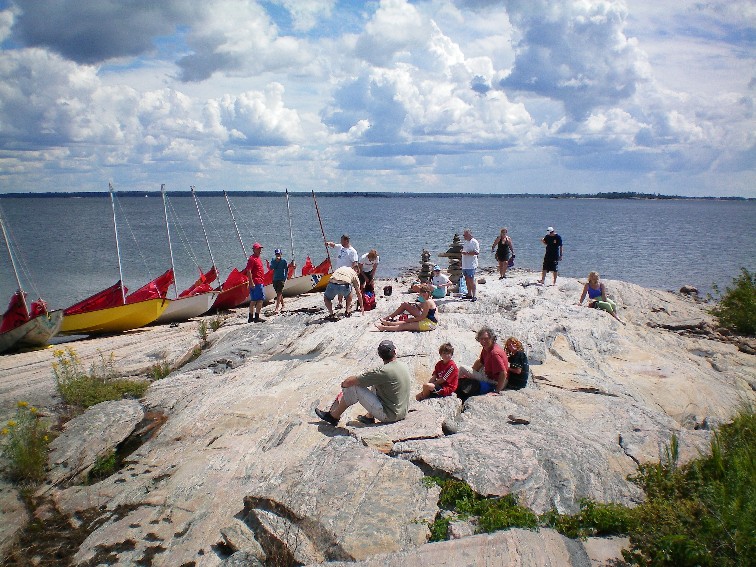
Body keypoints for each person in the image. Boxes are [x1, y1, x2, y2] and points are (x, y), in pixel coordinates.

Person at [314, 339, 412, 426]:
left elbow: (348, 382)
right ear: (395, 351)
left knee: (353, 387)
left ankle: (333, 416)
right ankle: (369, 417)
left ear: (379, 355)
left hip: (389, 416)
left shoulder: (382, 371)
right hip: (402, 412)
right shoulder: (403, 365)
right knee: (376, 383)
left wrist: (344, 386)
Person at [456, 326, 510, 400]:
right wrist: (471, 373)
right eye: (481, 339)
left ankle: (451, 385)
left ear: (492, 338)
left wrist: (497, 391)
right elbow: (480, 362)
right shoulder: (487, 348)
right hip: (489, 374)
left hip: (495, 381)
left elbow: (503, 373)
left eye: (486, 339)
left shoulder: (494, 353)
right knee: (475, 368)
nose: (483, 341)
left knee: (462, 368)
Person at [327, 235, 359, 308]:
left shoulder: (352, 251)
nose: (341, 242)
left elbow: (355, 262)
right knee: (339, 286)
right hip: (338, 272)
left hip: (347, 273)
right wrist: (328, 243)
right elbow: (333, 245)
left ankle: (349, 304)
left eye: (342, 241)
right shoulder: (340, 247)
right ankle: (340, 302)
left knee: (348, 289)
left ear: (346, 241)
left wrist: (353, 272)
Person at [244, 242, 266, 323]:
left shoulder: (257, 258)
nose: (260, 250)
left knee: (254, 300)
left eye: (260, 249)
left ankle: (251, 317)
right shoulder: (252, 259)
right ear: (254, 250)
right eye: (258, 249)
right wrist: (251, 282)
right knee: (260, 299)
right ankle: (256, 317)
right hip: (257, 282)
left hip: (258, 281)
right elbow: (248, 271)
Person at [270, 248, 293, 315]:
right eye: (277, 254)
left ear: (281, 254)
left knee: (279, 293)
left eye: (279, 254)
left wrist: (285, 277)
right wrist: (275, 262)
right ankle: (283, 305)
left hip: (281, 279)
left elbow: (286, 269)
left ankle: (277, 308)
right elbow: (271, 268)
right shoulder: (273, 261)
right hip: (275, 279)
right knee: (278, 293)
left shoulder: (283, 261)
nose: (278, 255)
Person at [461, 228, 480, 301]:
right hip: (465, 264)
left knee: (471, 280)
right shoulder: (466, 242)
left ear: (469, 234)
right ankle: (469, 294)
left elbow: (476, 252)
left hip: (471, 264)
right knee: (467, 280)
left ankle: (474, 295)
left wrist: (467, 253)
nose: (464, 236)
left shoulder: (474, 242)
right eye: (463, 235)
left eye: (465, 235)